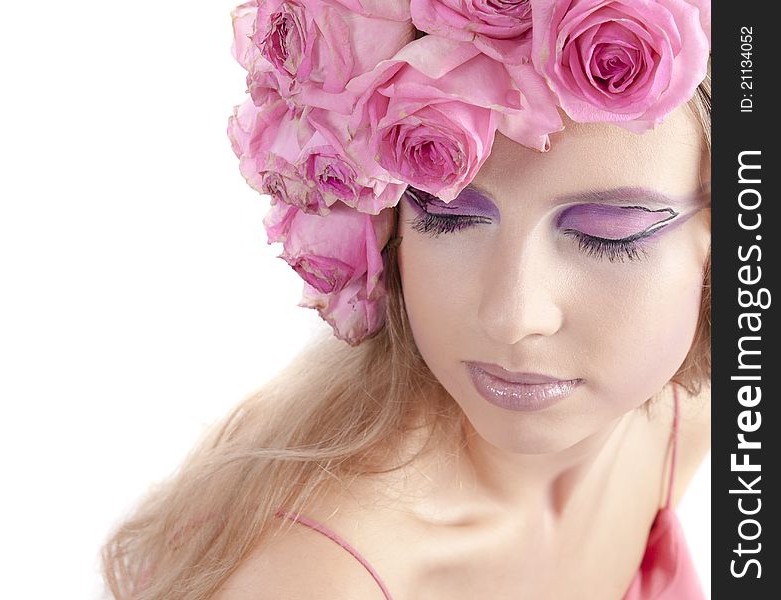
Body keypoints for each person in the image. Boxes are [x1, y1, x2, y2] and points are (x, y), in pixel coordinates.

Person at [100, 1, 711, 598]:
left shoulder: (688, 415)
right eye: (449, 217)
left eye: (606, 235)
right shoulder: (316, 578)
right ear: (387, 219)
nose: (512, 316)